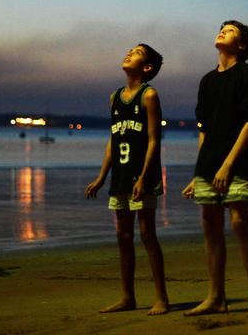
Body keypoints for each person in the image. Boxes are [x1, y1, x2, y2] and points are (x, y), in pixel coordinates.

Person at [182, 20, 248, 318]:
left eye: (230, 30)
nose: (222, 31)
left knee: (239, 222)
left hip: (239, 163)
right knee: (210, 226)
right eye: (221, 28)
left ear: (242, 45)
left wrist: (228, 165)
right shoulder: (207, 81)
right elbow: (204, 129)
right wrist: (199, 171)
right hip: (208, 165)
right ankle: (216, 297)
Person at [85, 43, 169, 316]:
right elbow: (113, 140)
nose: (128, 53)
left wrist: (145, 177)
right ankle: (127, 297)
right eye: (129, 50)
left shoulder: (149, 95)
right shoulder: (115, 97)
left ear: (147, 68)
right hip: (120, 177)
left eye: (136, 53)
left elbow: (154, 140)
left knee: (147, 234)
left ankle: (161, 299)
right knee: (122, 235)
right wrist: (101, 176)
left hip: (142, 176)